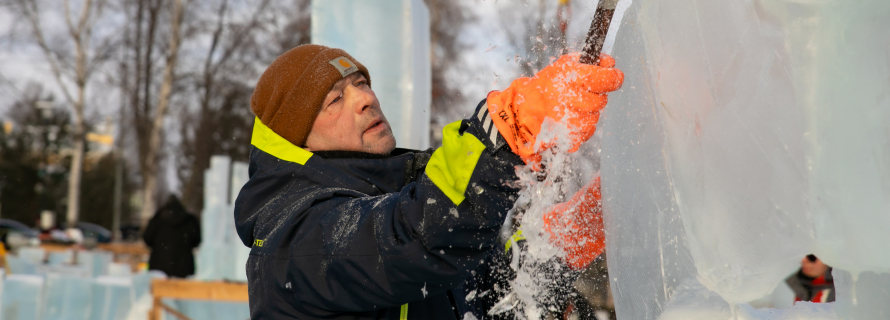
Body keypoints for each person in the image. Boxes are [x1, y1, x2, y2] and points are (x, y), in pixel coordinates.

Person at [234, 44, 623, 319]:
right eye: (335, 99)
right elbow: (417, 239)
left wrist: (564, 241)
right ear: (299, 140)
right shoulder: (294, 237)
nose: (364, 99)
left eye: (361, 83)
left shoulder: (398, 201)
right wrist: (508, 128)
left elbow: (494, 302)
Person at [143, 195, 201, 278]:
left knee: (159, 290)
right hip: (184, 268)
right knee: (183, 290)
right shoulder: (189, 220)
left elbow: (147, 239)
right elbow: (197, 240)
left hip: (159, 267)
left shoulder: (157, 220)